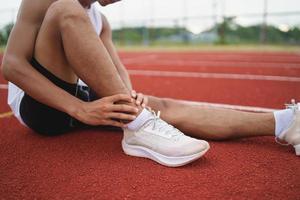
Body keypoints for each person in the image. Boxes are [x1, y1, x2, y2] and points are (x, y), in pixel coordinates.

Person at [1, 0, 299, 167]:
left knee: (161, 106)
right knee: (65, 9)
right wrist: (80, 109)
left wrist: (131, 95)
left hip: (80, 96)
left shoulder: (101, 20)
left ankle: (285, 122)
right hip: (40, 107)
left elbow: (117, 70)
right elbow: (12, 65)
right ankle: (139, 127)